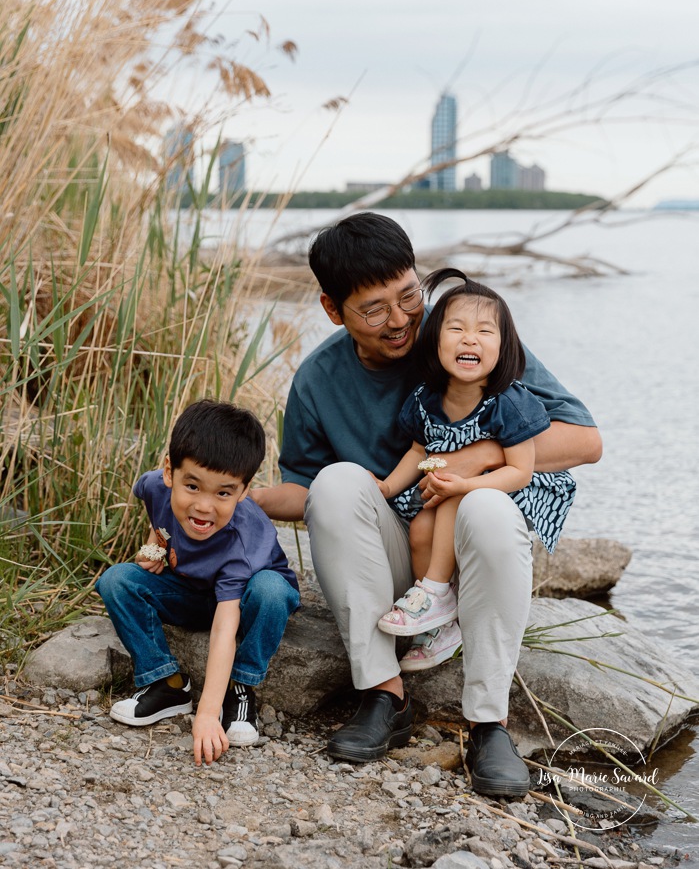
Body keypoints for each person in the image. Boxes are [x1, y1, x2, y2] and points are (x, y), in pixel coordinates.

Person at [251, 213, 601, 797]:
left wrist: (480, 456)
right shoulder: (317, 380)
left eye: (409, 294)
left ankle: (488, 724)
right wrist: (244, 498)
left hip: (472, 553)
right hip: (397, 559)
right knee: (338, 482)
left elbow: (585, 441)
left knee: (487, 507)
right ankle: (384, 696)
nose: (402, 319)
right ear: (333, 310)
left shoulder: (465, 338)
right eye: (375, 308)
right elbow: (307, 492)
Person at [374, 267, 576, 674]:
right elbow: (418, 451)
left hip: (508, 491)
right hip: (453, 486)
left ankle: (434, 590)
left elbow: (521, 470)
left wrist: (467, 483)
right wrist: (387, 486)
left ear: (504, 347)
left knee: (456, 497)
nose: (470, 338)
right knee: (419, 529)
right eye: (457, 328)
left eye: (486, 331)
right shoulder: (426, 399)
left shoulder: (509, 402)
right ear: (434, 342)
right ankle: (439, 617)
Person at [97, 399, 300, 767]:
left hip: (245, 599)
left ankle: (239, 688)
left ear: (242, 490)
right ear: (169, 472)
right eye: (192, 486)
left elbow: (225, 627)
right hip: (191, 591)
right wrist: (155, 546)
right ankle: (166, 684)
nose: (204, 506)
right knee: (118, 580)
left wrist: (206, 714)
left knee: (272, 591)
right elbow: (157, 516)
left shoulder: (243, 537)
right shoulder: (154, 486)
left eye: (223, 493)